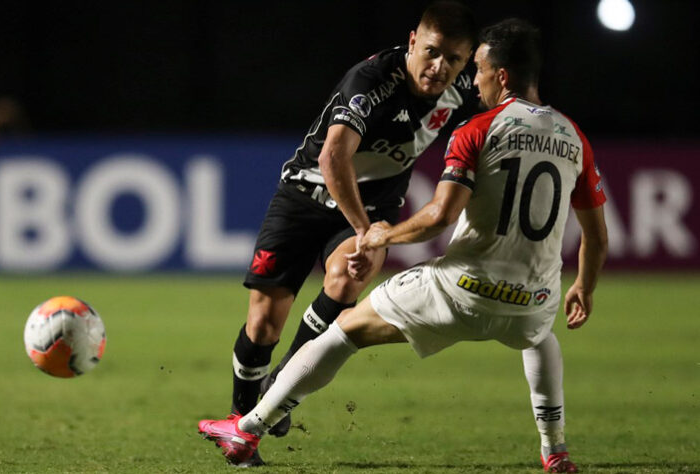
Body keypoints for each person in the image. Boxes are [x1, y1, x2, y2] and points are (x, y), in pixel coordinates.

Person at [199, 18, 608, 473]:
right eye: (439, 55)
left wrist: (382, 233)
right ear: (413, 42)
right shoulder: (573, 136)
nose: (463, 75)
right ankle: (555, 450)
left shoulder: (474, 124)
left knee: (344, 329)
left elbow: (441, 216)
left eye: (468, 65)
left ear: (500, 74)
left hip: (457, 283)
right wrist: (584, 288)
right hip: (530, 300)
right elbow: (596, 235)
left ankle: (253, 423)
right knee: (541, 337)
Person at [221, 1, 479, 466]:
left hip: (374, 206)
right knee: (263, 324)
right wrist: (367, 231)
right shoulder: (373, 82)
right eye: (432, 52)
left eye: (454, 59)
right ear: (413, 40)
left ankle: (278, 392)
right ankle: (242, 417)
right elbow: (332, 158)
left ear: (467, 62)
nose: (440, 67)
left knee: (345, 278)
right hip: (306, 194)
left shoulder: (463, 88)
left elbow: (505, 95)